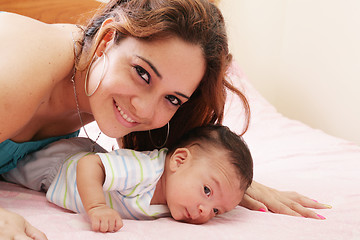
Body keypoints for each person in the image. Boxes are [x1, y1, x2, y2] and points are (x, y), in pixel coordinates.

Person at [0, 0, 329, 239]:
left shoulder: (92, 87)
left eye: (172, 98)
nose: (144, 110)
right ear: (105, 41)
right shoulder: (23, 67)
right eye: (142, 73)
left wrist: (218, 176)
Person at [2, 124, 254, 233]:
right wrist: (97, 206)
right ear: (178, 161)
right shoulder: (146, 170)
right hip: (59, 165)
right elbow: (90, 164)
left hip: (63, 171)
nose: (204, 211)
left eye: (217, 211)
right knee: (8, 162)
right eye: (208, 191)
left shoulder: (179, 199)